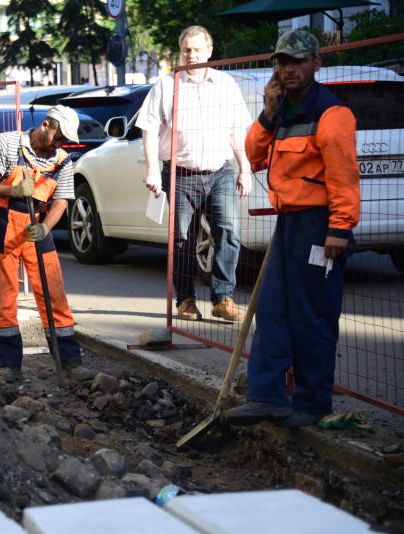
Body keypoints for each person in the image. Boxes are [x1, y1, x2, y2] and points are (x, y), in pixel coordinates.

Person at [226, 30, 360, 428]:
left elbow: (344, 177)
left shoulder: (332, 114)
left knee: (312, 315)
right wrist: (268, 113)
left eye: (299, 61)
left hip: (320, 227)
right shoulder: (280, 112)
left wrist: (339, 229)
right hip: (288, 223)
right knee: (271, 311)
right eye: (283, 62)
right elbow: (252, 156)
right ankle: (267, 398)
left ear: (317, 64)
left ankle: (312, 402)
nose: (289, 69)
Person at [136, 25, 253, 322]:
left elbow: (236, 131)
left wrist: (245, 168)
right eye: (187, 50)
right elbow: (148, 130)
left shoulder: (225, 84)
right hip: (180, 173)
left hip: (220, 171)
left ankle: (223, 298)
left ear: (209, 52)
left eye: (197, 49)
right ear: (181, 52)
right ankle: (185, 299)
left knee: (229, 232)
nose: (191, 55)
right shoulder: (167, 86)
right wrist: (151, 169)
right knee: (182, 240)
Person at [0, 105, 94, 383]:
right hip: (2, 228)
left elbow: (61, 201)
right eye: (58, 136)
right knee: (2, 297)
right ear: (46, 125)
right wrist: (14, 190)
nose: (61, 143)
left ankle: (69, 362)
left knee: (54, 295)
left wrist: (45, 227)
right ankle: (8, 366)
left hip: (37, 231)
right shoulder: (8, 143)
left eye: (64, 140)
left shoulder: (64, 162)